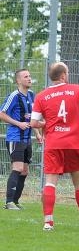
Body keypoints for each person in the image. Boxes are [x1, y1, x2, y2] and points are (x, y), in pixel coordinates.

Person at [30, 62, 79, 231]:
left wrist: (47, 123)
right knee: (78, 181)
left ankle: (48, 222)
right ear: (64, 75)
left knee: (50, 182)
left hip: (54, 143)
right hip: (74, 143)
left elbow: (34, 123)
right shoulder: (77, 90)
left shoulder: (41, 96)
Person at [0, 69, 43, 209]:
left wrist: (37, 132)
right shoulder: (14, 96)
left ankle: (16, 201)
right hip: (15, 137)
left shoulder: (31, 95)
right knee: (17, 167)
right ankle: (8, 202)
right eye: (26, 77)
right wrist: (18, 123)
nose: (29, 78)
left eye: (30, 76)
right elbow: (2, 113)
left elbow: (32, 117)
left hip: (27, 138)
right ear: (18, 80)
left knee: (24, 170)